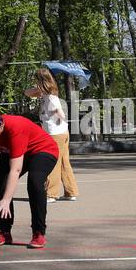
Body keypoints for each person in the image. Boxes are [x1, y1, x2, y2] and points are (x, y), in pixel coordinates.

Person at [0, 107, 59, 249]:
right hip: (14, 151)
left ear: (1, 125)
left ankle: (38, 232)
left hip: (42, 150)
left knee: (35, 182)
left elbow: (15, 169)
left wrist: (7, 199)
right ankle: (4, 230)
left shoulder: (15, 128)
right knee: (0, 183)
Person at [29, 68, 79, 201]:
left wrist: (60, 117)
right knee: (63, 162)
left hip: (55, 134)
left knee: (53, 162)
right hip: (61, 132)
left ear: (41, 81)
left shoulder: (51, 98)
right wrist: (37, 90)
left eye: (36, 80)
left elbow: (60, 113)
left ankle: (51, 194)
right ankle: (71, 192)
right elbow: (27, 93)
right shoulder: (47, 95)